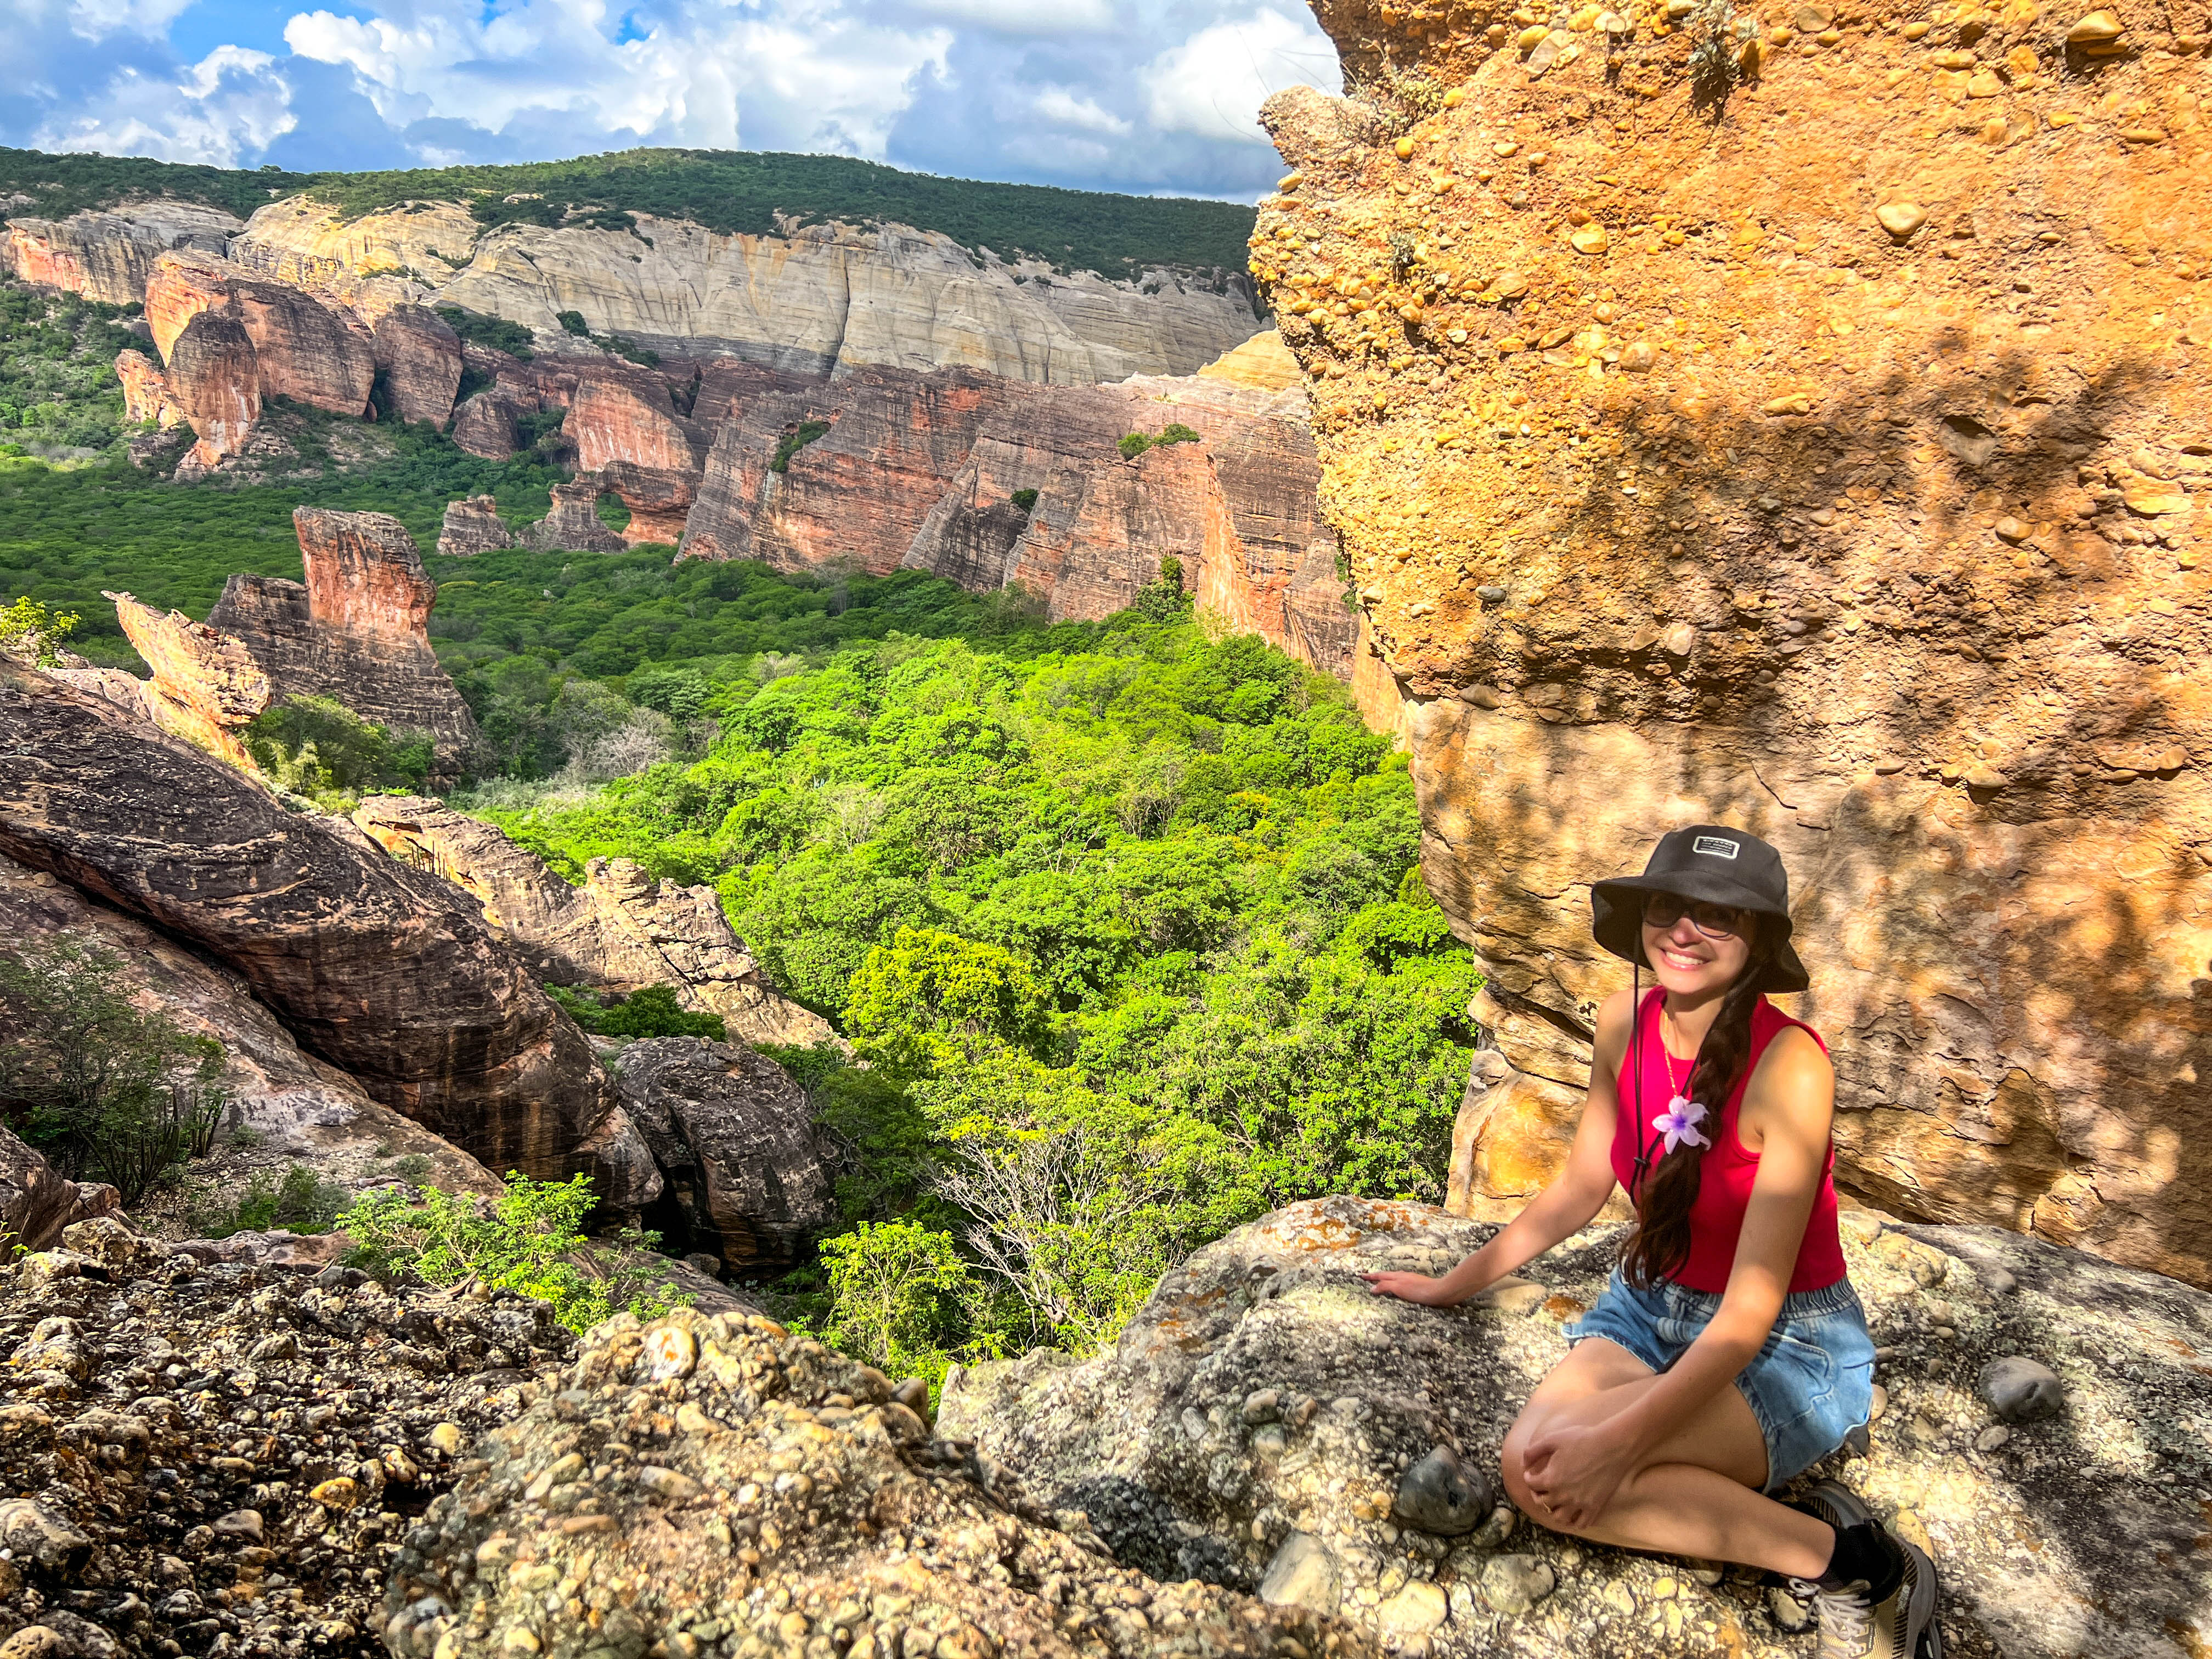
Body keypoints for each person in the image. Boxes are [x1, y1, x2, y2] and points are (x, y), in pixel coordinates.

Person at [1363, 825, 1940, 1659]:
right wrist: (1456, 1281)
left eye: (1720, 917)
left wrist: (1620, 1442)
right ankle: (1807, 1527)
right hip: (1651, 1303)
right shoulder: (1620, 1022)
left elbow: (1750, 1312)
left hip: (1786, 1342)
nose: (1685, 931)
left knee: (1583, 1473)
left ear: (1760, 943)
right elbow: (1580, 1185)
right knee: (1537, 1472)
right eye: (1670, 906)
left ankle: (1863, 1565)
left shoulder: (1793, 1068)